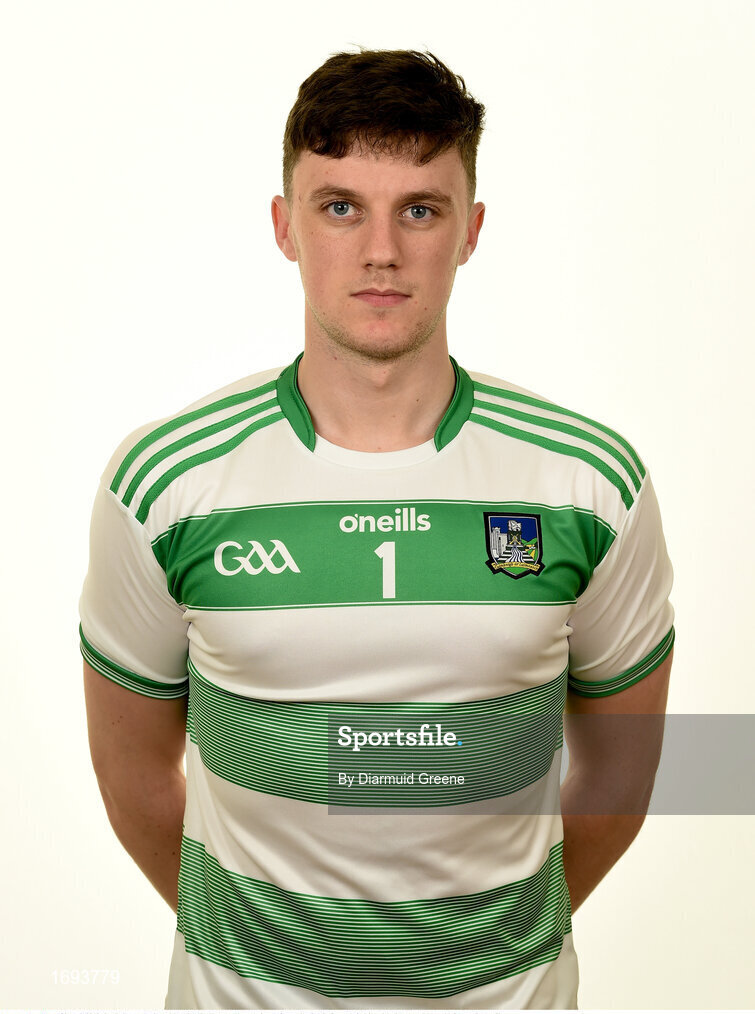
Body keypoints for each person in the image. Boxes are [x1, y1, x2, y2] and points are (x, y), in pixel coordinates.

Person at [80, 47, 674, 1010]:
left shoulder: (589, 481)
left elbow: (625, 772)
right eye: (340, 205)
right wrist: (261, 956)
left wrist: (497, 943)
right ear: (285, 226)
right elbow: (135, 776)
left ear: (470, 231)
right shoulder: (167, 481)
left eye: (420, 209)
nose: (381, 251)